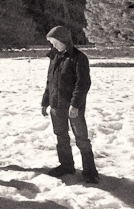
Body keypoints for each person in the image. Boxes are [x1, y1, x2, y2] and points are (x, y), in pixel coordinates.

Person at [41, 25, 99, 184]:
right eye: (51, 42)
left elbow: (83, 84)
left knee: (82, 139)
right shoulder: (54, 57)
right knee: (61, 136)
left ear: (63, 40)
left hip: (73, 108)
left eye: (54, 41)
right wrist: (45, 101)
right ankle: (66, 165)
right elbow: (50, 82)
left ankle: (90, 171)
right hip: (56, 105)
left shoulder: (79, 58)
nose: (53, 45)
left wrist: (75, 105)